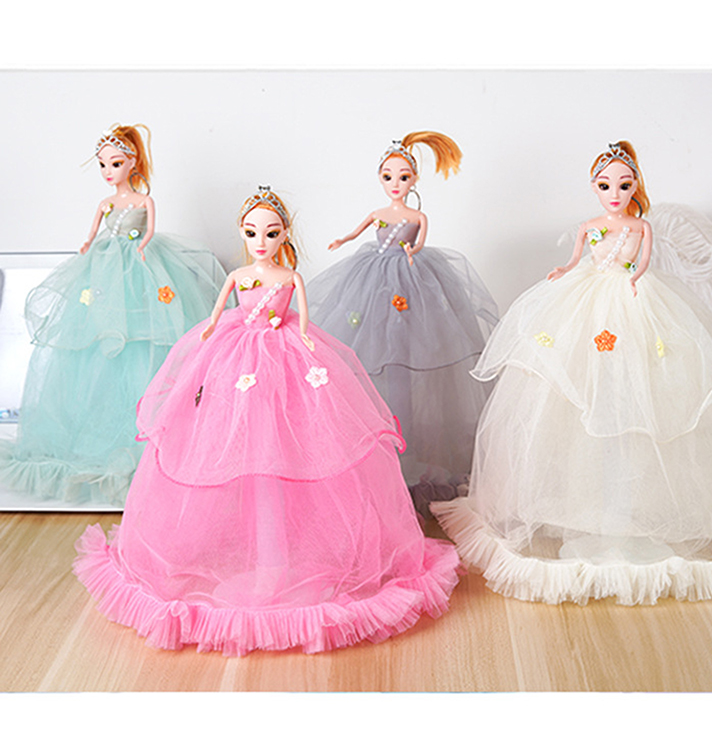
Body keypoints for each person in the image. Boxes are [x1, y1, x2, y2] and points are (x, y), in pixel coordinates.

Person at [74, 186, 460, 655]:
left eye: (271, 233)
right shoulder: (239, 275)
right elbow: (216, 314)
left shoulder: (289, 276)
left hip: (286, 357)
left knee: (293, 447)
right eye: (252, 232)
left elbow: (303, 319)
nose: (261, 241)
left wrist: (309, 345)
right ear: (242, 232)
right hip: (235, 354)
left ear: (284, 234)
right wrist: (208, 336)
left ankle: (279, 558)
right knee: (227, 444)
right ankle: (258, 556)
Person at [432, 141, 712, 605]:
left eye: (624, 185)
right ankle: (596, 503)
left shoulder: (641, 226)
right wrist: (563, 270)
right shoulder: (590, 227)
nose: (615, 193)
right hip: (586, 299)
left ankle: (633, 506)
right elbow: (576, 259)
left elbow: (643, 262)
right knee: (578, 389)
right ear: (594, 187)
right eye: (606, 186)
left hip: (635, 300)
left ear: (634, 187)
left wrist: (635, 279)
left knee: (642, 387)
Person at [0, 125, 225, 504]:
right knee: (97, 341)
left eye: (115, 163)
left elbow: (149, 232)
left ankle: (151, 431)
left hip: (140, 266)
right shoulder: (106, 203)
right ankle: (98, 432)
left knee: (145, 338)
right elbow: (92, 233)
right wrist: (88, 245)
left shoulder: (144, 201)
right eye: (103, 164)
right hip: (104, 268)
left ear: (133, 162)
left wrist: (142, 248)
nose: (108, 171)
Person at [306, 132, 498, 514]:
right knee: (372, 346)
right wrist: (342, 240)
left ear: (414, 180)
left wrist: (412, 252)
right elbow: (357, 231)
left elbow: (420, 242)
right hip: (373, 277)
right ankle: (387, 455)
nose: (396, 183)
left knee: (411, 348)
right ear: (380, 178)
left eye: (403, 176)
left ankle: (407, 459)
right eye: (388, 176)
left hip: (412, 278)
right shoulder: (379, 214)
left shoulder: (417, 216)